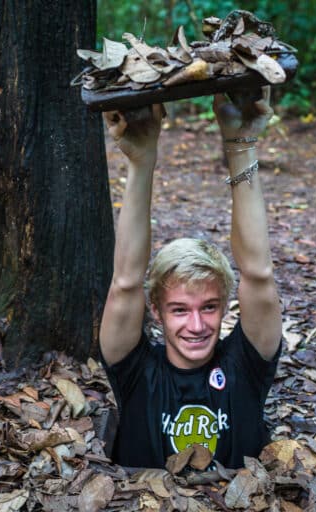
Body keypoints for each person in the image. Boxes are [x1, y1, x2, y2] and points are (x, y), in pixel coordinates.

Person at [99, 87, 283, 469]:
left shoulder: (246, 368)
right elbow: (125, 282)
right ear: (156, 311)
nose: (197, 325)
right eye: (179, 309)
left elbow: (259, 273)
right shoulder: (136, 372)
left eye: (210, 307)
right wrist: (141, 158)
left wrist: (241, 141)